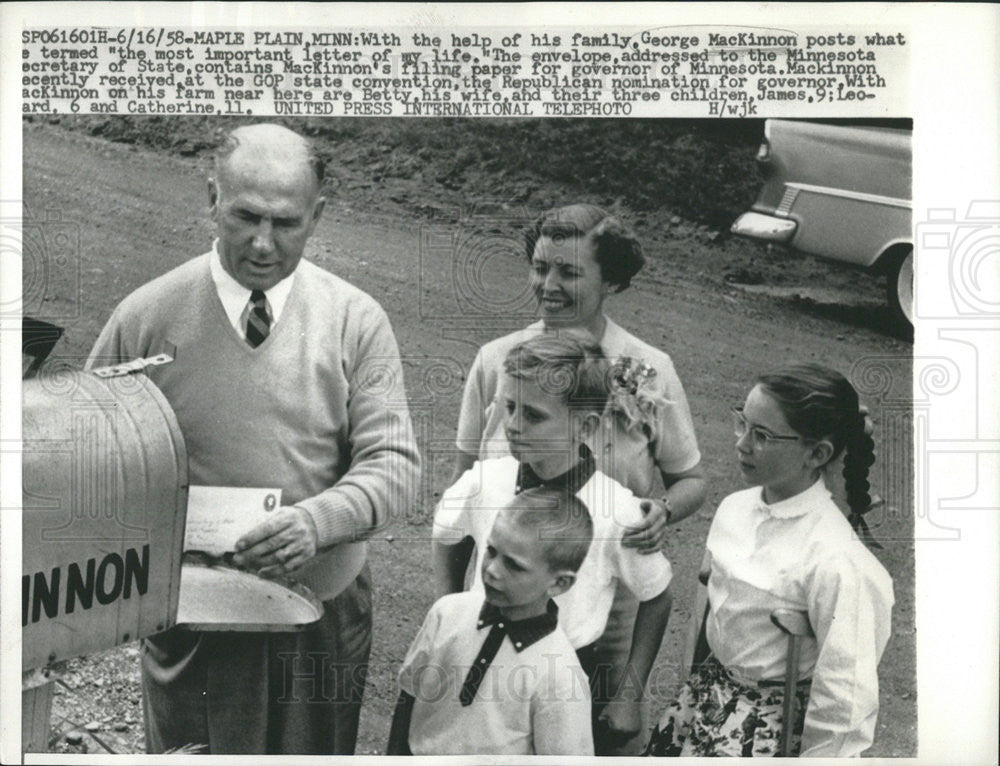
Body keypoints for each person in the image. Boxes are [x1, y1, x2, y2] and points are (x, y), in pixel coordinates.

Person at [86, 123, 420, 754]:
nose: (264, 243)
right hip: (195, 618)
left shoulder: (356, 321)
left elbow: (395, 466)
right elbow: (88, 457)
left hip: (320, 610)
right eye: (245, 216)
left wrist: (315, 524)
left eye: (287, 223)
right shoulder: (146, 315)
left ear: (317, 216)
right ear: (211, 197)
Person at [446, 203, 706, 753]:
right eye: (541, 268)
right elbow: (462, 487)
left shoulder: (647, 368)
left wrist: (663, 510)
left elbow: (691, 479)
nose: (549, 285)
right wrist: (448, 620)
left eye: (570, 272)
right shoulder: (499, 362)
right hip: (498, 605)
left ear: (611, 279)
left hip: (602, 619)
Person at [434, 334, 674, 751]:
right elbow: (447, 537)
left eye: (534, 414)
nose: (513, 424)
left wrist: (630, 693)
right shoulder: (484, 482)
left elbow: (657, 596)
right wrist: (452, 620)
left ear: (585, 425)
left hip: (565, 681)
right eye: (509, 407)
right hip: (478, 662)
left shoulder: (617, 510)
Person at [644, 363, 894, 757]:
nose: (742, 444)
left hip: (766, 733)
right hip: (704, 701)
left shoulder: (838, 561)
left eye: (761, 435)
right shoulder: (734, 509)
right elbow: (706, 615)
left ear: (816, 453)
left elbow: (843, 704)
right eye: (742, 423)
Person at [389, 490, 595, 755]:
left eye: (514, 565)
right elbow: (408, 697)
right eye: (491, 551)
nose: (492, 570)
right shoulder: (447, 613)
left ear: (559, 583)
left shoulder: (562, 676)